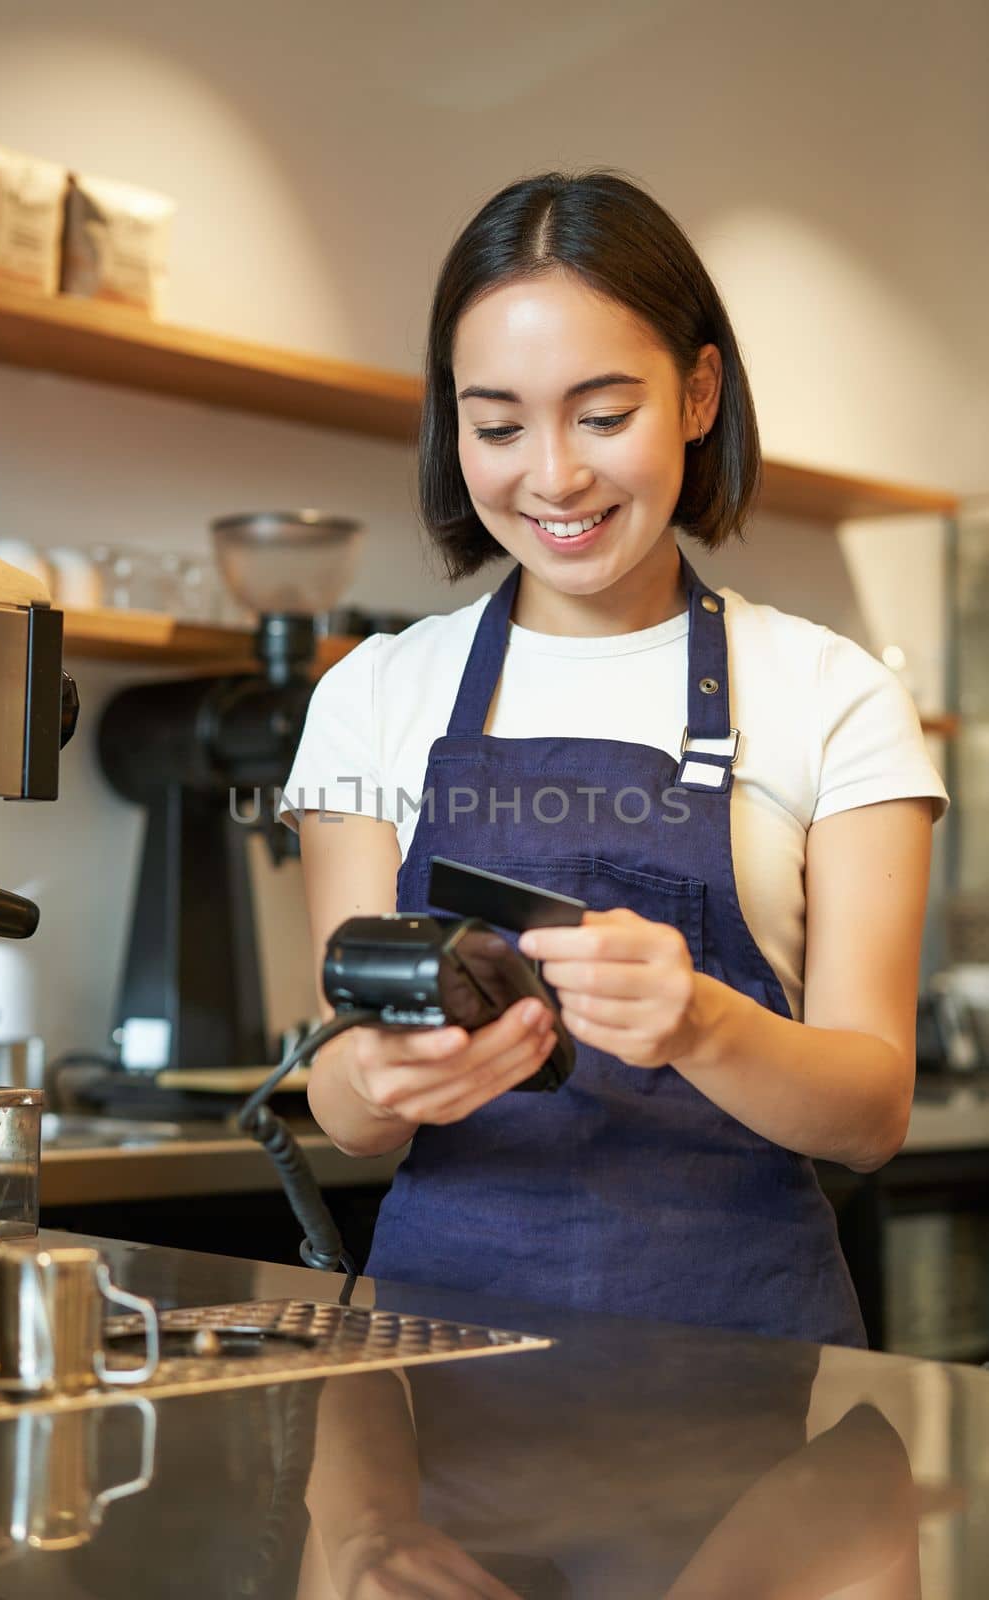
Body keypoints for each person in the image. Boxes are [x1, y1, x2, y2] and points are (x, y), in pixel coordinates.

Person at [279, 170, 948, 1347]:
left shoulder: (831, 694)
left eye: (600, 414)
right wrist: (379, 1082)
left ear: (696, 394)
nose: (551, 474)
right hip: (440, 1374)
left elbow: (870, 1109)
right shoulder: (371, 695)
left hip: (740, 1381)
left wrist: (700, 1022)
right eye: (496, 425)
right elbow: (336, 1091)